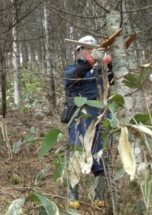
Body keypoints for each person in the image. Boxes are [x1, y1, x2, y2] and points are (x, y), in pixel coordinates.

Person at [64, 36, 113, 209]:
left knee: (100, 154)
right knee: (77, 153)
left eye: (92, 49)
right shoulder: (73, 69)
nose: (90, 51)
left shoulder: (99, 72)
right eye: (86, 49)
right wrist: (91, 61)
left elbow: (111, 80)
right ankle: (73, 194)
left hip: (100, 116)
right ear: (78, 52)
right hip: (80, 116)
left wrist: (109, 64)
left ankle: (98, 194)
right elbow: (73, 78)